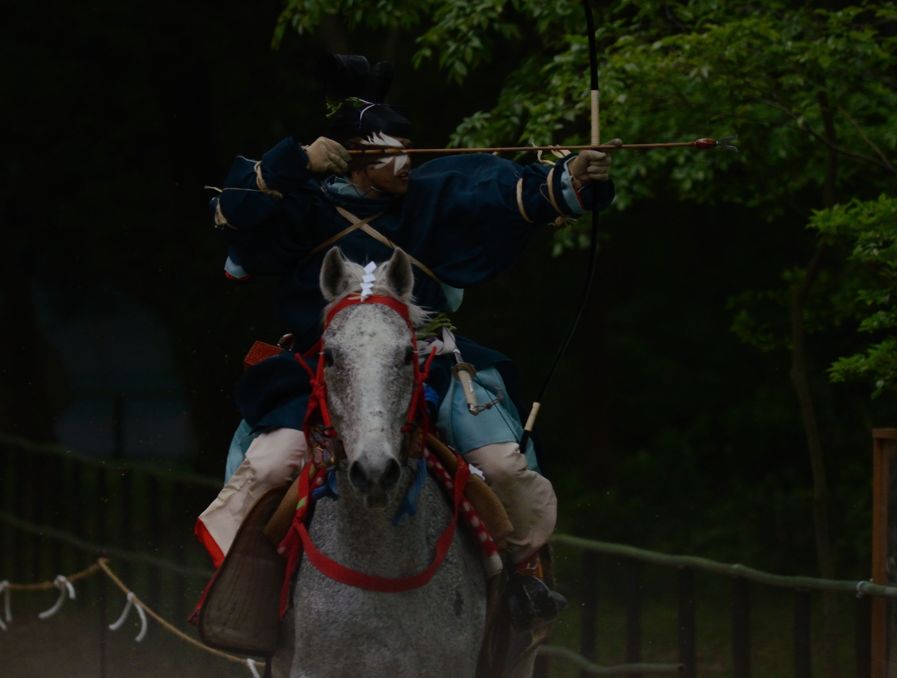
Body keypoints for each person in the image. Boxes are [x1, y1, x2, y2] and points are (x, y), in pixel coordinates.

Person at [195, 54, 616, 626]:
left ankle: (519, 583)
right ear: (358, 158)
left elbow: (512, 193)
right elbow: (235, 210)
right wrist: (297, 158)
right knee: (271, 467)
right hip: (320, 369)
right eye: (393, 149)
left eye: (409, 146)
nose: (408, 160)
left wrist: (573, 178)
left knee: (502, 464)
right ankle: (252, 589)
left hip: (430, 362)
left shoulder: (432, 198)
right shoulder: (302, 208)